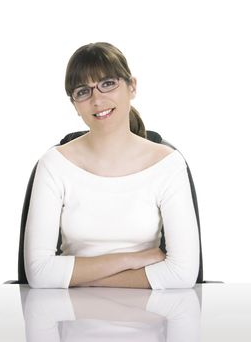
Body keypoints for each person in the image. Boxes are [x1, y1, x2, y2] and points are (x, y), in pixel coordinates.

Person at [24, 42, 200, 289]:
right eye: (83, 91)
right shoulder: (54, 164)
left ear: (132, 87)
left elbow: (182, 275)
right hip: (69, 316)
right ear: (74, 104)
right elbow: (39, 273)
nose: (97, 99)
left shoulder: (168, 165)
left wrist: (79, 280)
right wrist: (133, 259)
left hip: (150, 317)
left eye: (108, 84)